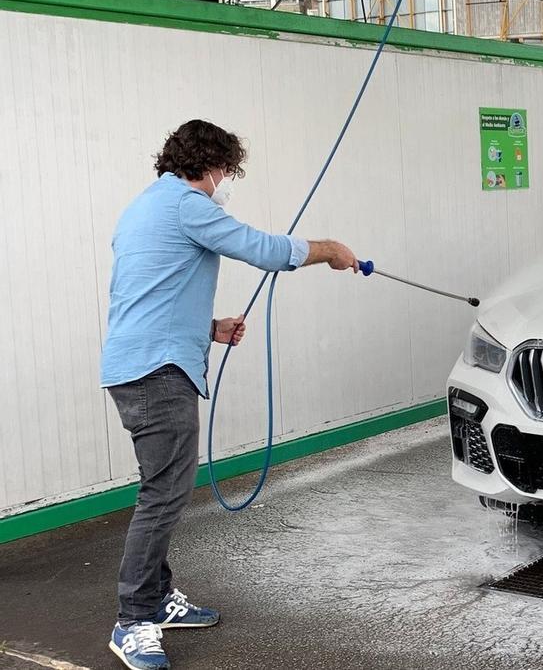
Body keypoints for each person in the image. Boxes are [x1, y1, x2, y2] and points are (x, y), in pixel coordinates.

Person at [100, 119, 358, 670]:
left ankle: (157, 599)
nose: (227, 181)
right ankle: (134, 621)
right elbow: (262, 249)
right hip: (156, 372)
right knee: (163, 496)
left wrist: (207, 327)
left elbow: (149, 291)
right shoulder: (189, 205)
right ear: (210, 165)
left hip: (139, 364)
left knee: (161, 488)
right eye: (227, 170)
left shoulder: (144, 206)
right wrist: (330, 248)